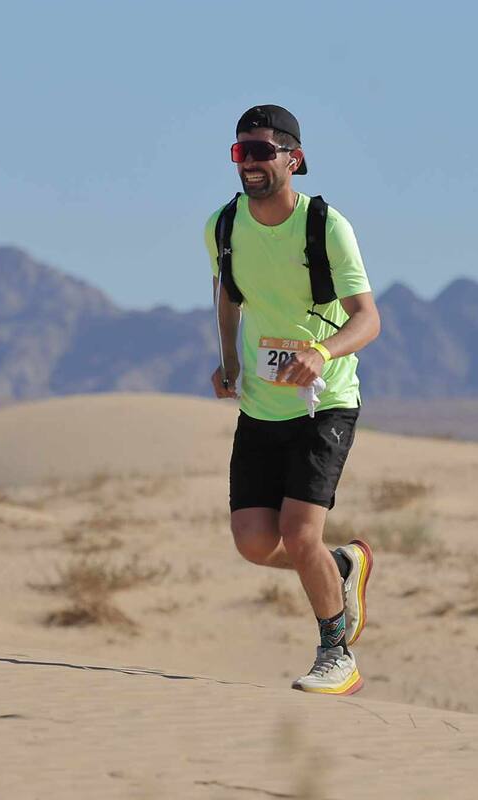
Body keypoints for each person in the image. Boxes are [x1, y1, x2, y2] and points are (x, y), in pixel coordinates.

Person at [206, 105, 381, 695]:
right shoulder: (223, 225)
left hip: (323, 403)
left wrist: (324, 353)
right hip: (260, 404)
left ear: (292, 158)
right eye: (240, 152)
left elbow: (368, 319)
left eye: (261, 152)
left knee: (300, 533)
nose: (249, 163)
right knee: (255, 543)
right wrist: (229, 360)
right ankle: (340, 568)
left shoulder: (326, 226)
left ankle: (337, 655)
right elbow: (227, 295)